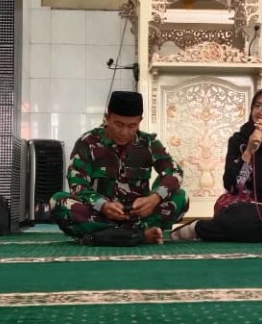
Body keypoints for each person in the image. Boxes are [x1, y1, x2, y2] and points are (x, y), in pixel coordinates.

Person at [51, 90, 188, 245]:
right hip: (100, 215)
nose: (124, 132)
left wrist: (154, 198)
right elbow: (77, 184)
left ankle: (106, 236)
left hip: (139, 216)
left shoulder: (149, 144)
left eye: (132, 126)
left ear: (140, 121)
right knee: (58, 201)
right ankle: (139, 235)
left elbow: (174, 171)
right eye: (118, 124)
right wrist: (102, 204)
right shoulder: (88, 143)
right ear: (107, 117)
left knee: (181, 197)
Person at [170, 88, 262, 242]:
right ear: (251, 110)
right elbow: (231, 185)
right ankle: (208, 228)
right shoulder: (238, 140)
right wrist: (248, 151)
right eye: (257, 106)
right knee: (241, 217)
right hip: (240, 205)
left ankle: (202, 228)